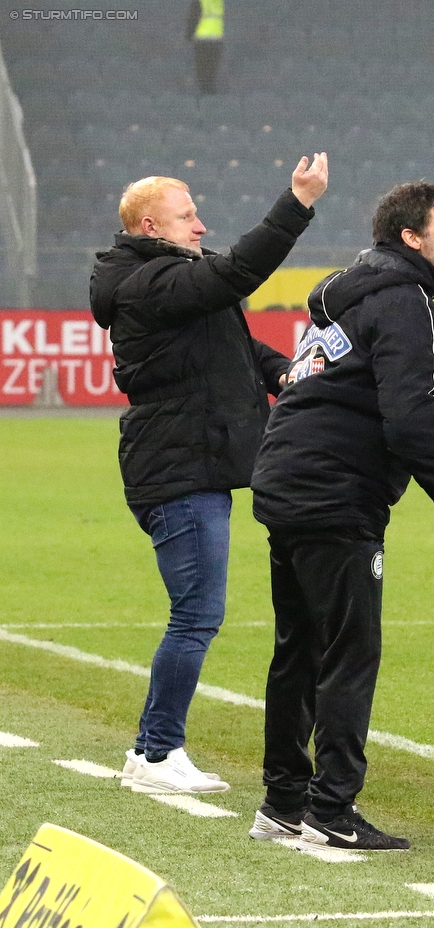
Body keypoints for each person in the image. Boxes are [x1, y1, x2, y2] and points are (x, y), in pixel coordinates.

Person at [89, 153, 328, 795]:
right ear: (149, 226)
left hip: (189, 465)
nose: (200, 226)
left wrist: (281, 372)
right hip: (179, 470)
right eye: (186, 216)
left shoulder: (164, 279)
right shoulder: (152, 285)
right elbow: (239, 273)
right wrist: (296, 203)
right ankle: (158, 753)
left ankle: (152, 751)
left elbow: (234, 343)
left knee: (195, 611)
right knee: (195, 614)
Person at [248, 181, 434, 850]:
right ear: (412, 238)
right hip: (333, 491)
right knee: (350, 651)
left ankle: (283, 802)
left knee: (300, 649)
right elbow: (408, 419)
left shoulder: (344, 300)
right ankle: (330, 808)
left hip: (285, 476)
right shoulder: (404, 303)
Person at [186, 0, 224, 95]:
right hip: (216, 40)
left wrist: (188, 35)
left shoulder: (200, 1)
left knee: (202, 70)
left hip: (202, 40)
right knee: (212, 70)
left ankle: (204, 96)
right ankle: (211, 96)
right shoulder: (218, 2)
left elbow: (193, 17)